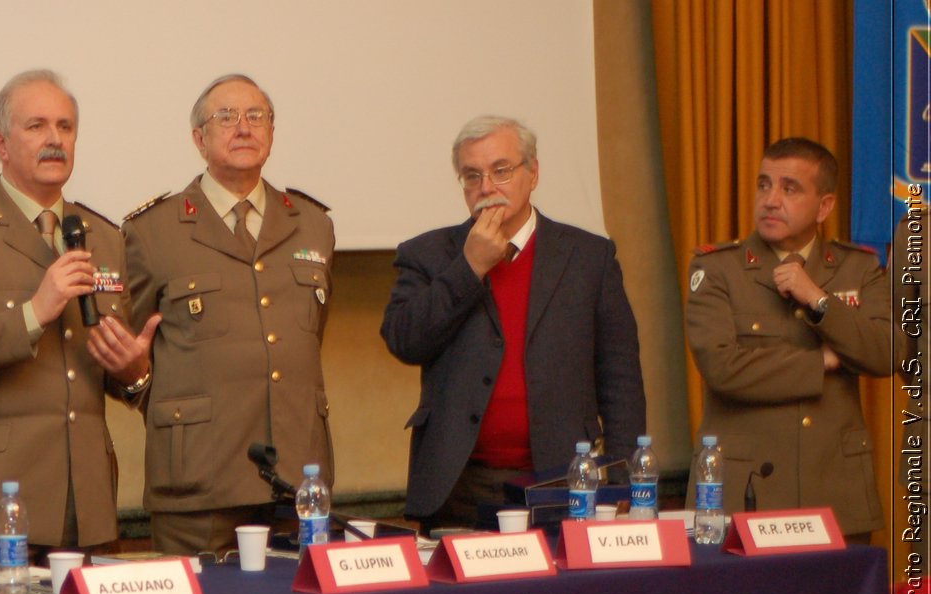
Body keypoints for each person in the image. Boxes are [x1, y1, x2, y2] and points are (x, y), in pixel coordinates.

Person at [0, 70, 157, 570]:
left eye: (66, 127)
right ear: (1, 144)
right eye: (37, 127)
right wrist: (33, 313)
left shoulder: (104, 237)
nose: (55, 139)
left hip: (85, 504)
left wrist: (134, 372)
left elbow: (108, 376)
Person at [381, 114, 645, 533]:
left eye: (501, 171)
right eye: (472, 176)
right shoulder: (429, 254)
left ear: (533, 173)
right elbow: (404, 341)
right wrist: (469, 268)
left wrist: (630, 480)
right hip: (460, 483)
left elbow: (619, 375)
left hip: (563, 477)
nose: (486, 187)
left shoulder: (588, 257)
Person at [124, 74, 335, 556]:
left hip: (299, 480)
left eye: (256, 116)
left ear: (272, 134)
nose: (243, 127)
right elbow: (128, 357)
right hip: (199, 481)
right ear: (199, 139)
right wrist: (136, 382)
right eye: (226, 117)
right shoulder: (152, 232)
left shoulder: (314, 225)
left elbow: (307, 337)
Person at [685, 137, 892, 539]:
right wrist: (824, 361)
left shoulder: (859, 267)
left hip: (836, 492)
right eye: (764, 185)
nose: (771, 199)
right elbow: (723, 369)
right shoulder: (717, 268)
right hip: (746, 494)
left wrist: (818, 299)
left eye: (789, 188)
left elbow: (887, 352)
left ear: (825, 206)